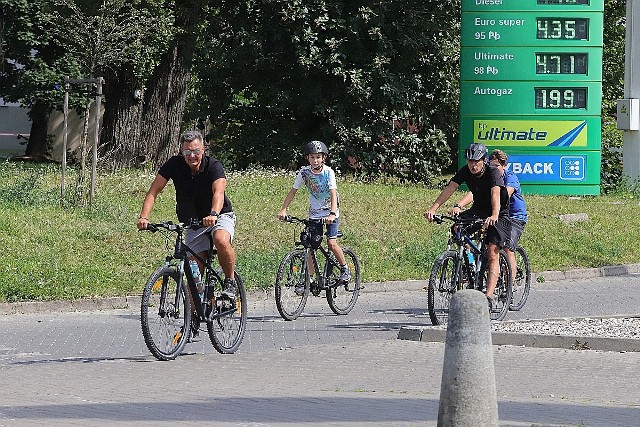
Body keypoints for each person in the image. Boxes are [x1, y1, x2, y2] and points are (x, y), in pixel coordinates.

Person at [136, 130, 237, 300]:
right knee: (194, 278)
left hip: (219, 216)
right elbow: (154, 190)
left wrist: (213, 214)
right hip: (193, 222)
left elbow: (218, 193)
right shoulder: (174, 164)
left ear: (203, 149)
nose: (192, 156)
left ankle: (230, 281)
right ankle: (195, 322)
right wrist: (144, 217)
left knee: (220, 239)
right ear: (181, 152)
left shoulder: (213, 165)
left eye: (196, 151)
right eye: (187, 152)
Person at [424, 142, 510, 308]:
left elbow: (496, 194)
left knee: (492, 252)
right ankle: (470, 262)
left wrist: (494, 215)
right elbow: (450, 188)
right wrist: (433, 209)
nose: (472, 165)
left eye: (476, 161)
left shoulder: (493, 172)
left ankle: (489, 296)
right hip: (478, 209)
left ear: (484, 160)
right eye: (470, 161)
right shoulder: (465, 171)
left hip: (498, 212)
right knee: (457, 227)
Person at [278, 140, 351, 287]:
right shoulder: (304, 173)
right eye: (312, 157)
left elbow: (332, 193)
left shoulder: (328, 172)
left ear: (323, 158)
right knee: (310, 247)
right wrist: (283, 209)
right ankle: (309, 280)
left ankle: (345, 269)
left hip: (331, 213)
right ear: (307, 158)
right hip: (315, 214)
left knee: (331, 243)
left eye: (318, 157)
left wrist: (332, 213)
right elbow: (293, 191)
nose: (315, 160)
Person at [452, 149, 528, 287]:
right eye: (491, 165)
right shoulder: (488, 175)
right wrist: (459, 205)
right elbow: (474, 193)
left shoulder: (510, 178)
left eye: (497, 166)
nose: (494, 168)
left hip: (514, 216)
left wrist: (495, 213)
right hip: (492, 213)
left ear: (504, 166)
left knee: (507, 248)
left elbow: (503, 195)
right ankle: (474, 264)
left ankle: (509, 285)